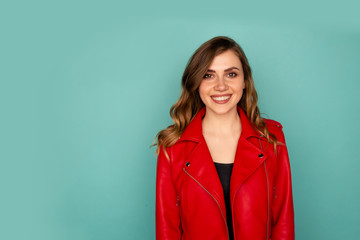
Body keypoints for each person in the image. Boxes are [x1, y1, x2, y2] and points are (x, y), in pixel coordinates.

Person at [152, 36, 295, 240]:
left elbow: (283, 221)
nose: (221, 86)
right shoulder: (173, 146)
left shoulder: (271, 138)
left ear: (244, 81)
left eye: (231, 74)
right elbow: (167, 230)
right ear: (196, 83)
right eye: (209, 76)